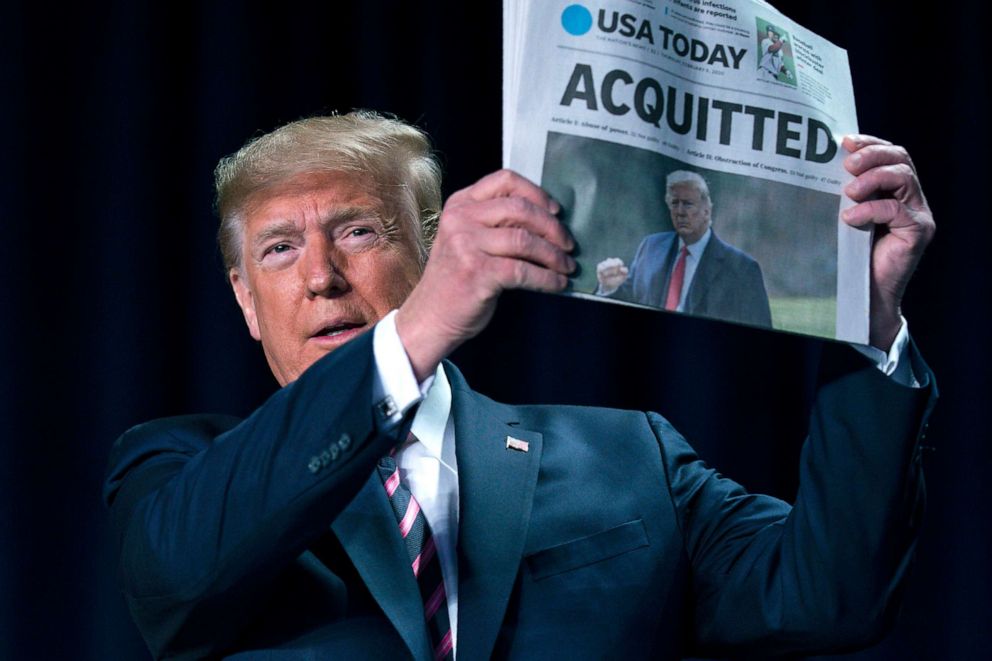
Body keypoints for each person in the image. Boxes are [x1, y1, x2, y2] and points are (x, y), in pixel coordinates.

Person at [104, 111, 936, 660]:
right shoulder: (179, 470)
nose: (321, 275)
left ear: (430, 251)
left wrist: (867, 323)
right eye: (280, 249)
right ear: (245, 299)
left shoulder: (629, 455)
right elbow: (178, 575)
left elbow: (829, 597)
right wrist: (417, 330)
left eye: (359, 230)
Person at [595, 170, 773, 327]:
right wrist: (609, 288)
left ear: (707, 211)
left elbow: (760, 335)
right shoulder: (651, 247)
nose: (680, 211)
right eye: (674, 203)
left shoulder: (742, 269)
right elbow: (627, 301)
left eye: (688, 204)